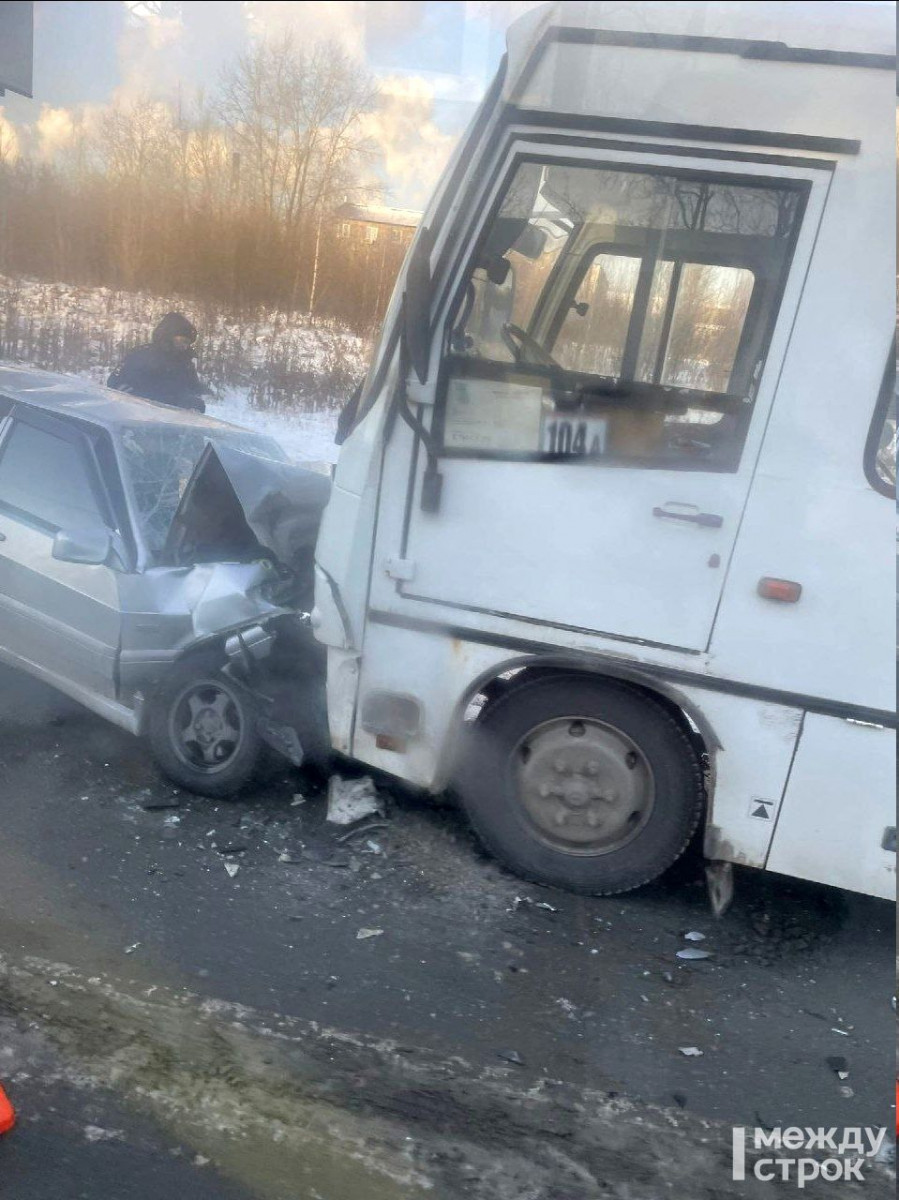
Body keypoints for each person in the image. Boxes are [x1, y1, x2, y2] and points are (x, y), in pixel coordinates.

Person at [108, 312, 208, 413]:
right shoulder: (141, 354)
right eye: (182, 340)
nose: (185, 346)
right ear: (168, 335)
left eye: (188, 343)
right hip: (135, 416)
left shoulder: (186, 364)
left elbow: (192, 391)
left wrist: (194, 403)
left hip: (171, 422)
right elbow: (115, 382)